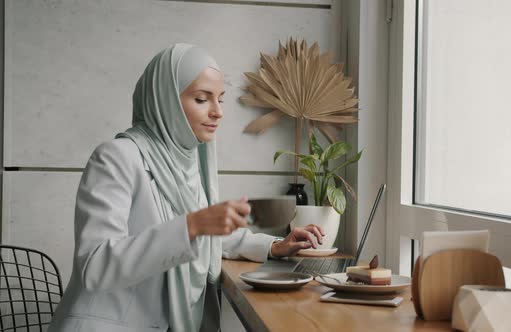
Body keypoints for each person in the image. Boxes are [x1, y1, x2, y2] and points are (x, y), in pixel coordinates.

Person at [48, 43, 324, 332]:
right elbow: (96, 265)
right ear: (164, 99)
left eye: (221, 99)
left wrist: (275, 246)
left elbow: (207, 235)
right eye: (202, 99)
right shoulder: (116, 157)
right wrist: (192, 224)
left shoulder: (189, 161)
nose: (218, 112)